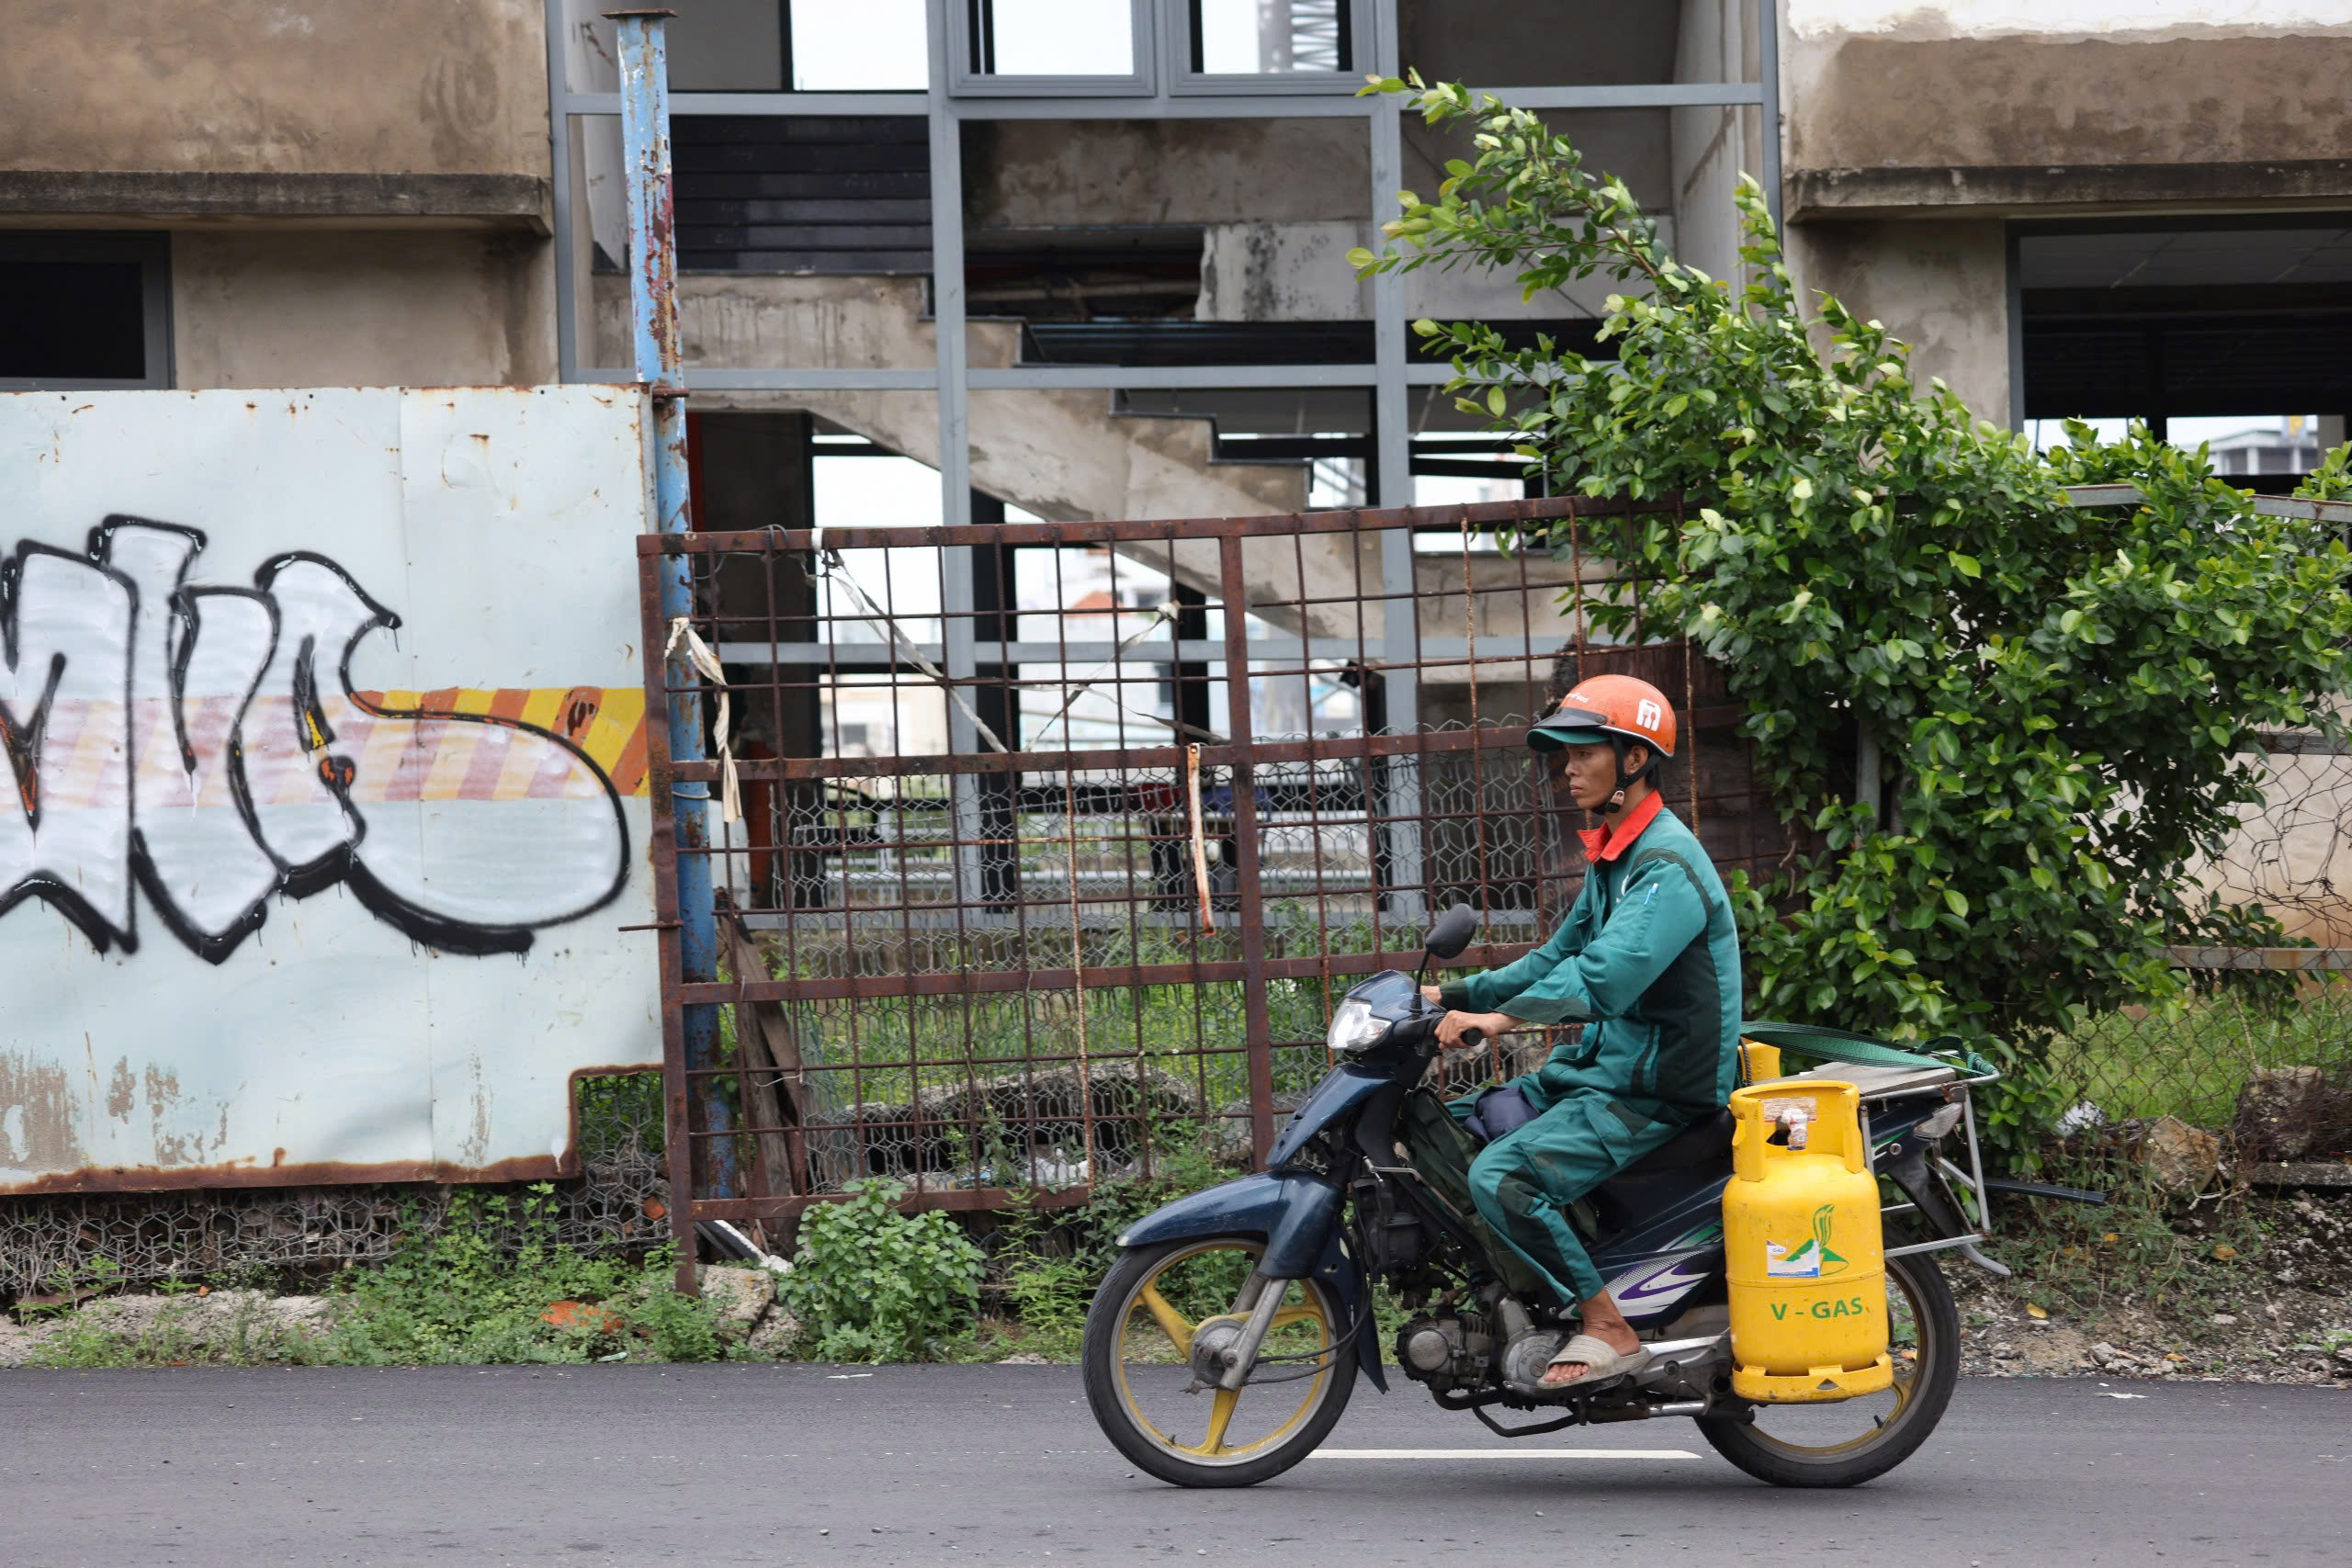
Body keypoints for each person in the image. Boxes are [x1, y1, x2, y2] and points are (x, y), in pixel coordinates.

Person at [1420, 674, 1742, 1391]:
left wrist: (1499, 1019)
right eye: (1562, 756)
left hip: (1655, 1087)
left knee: (1501, 1175)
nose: (1566, 769)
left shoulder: (1664, 866)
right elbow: (1554, 955)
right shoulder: (1617, 855)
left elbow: (1603, 977)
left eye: (1583, 753)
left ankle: (1606, 1324)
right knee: (1478, 1120)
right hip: (1610, 1067)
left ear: (1633, 759)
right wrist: (1447, 994)